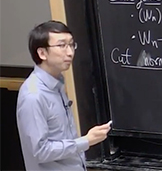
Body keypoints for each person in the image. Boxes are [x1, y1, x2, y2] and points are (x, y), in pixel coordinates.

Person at [16, 20, 112, 171]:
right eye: (61, 46)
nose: (70, 52)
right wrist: (86, 141)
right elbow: (40, 151)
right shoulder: (33, 95)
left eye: (71, 45)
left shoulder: (57, 84)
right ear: (42, 53)